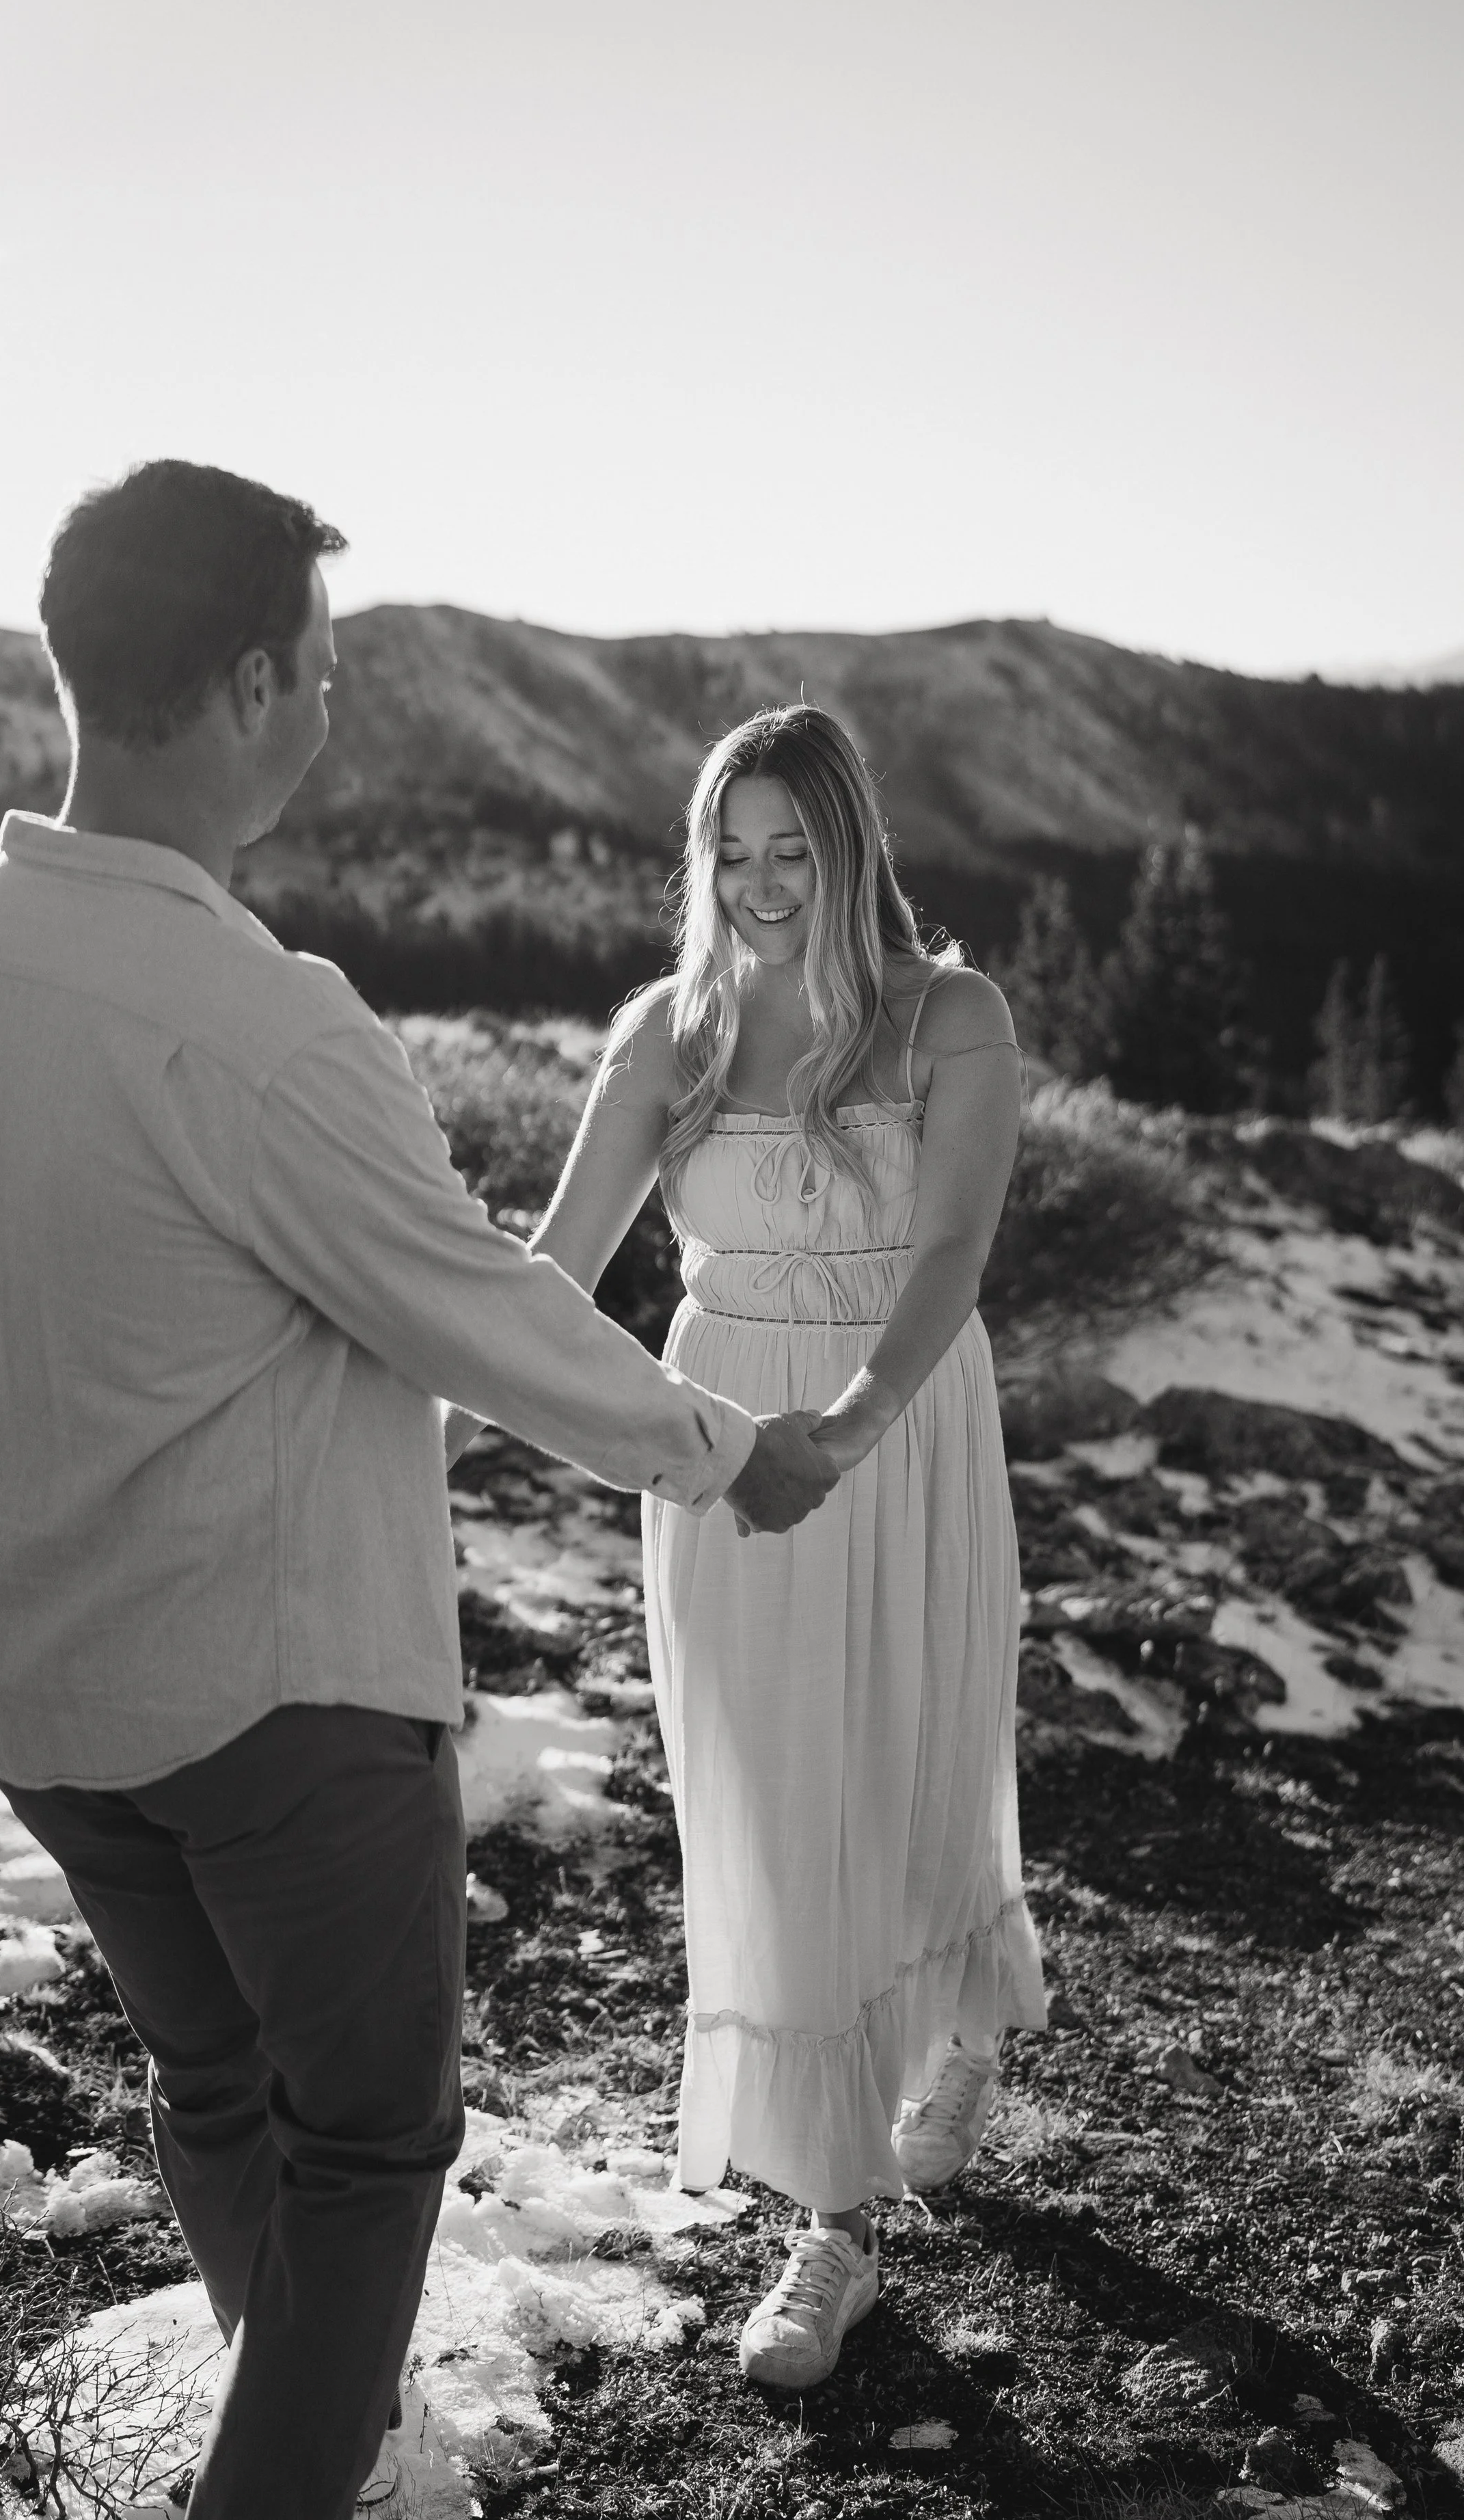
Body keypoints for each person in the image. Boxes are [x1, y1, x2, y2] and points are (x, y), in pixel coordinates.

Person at [0, 461, 837, 2520]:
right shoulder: (259, 1024)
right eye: (314, 668)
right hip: (273, 1697)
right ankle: (313, 2462)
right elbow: (475, 1303)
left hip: (37, 1695)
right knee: (369, 2148)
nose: (325, 705)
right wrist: (728, 1451)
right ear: (238, 686)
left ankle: (321, 2429)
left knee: (214, 2081)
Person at [471, 701, 1047, 2392]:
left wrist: (849, 1429)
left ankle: (957, 2025)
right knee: (771, 1801)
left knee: (912, 1752)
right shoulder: (669, 1030)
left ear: (851, 847)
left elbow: (948, 1259)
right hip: (720, 1442)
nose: (761, 882)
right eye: (731, 852)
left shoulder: (950, 1017)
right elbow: (552, 1268)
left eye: (792, 848)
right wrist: (421, 1424)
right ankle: (834, 2215)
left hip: (902, 1421)